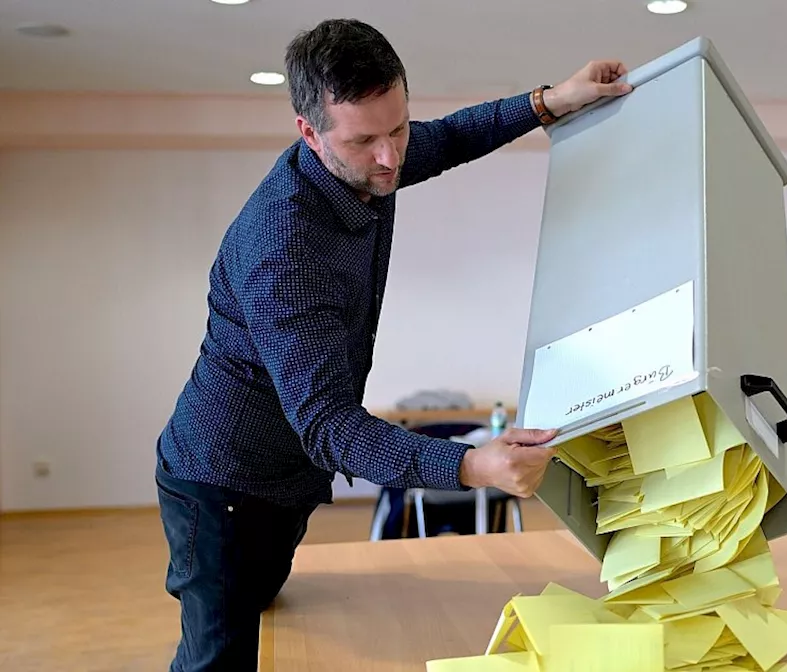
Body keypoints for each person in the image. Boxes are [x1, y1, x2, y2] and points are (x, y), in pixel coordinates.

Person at [153, 18, 631, 670]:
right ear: (308, 133)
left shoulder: (368, 163)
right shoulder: (284, 248)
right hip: (219, 482)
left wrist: (553, 99)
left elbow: (454, 135)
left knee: (266, 613)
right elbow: (328, 426)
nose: (390, 157)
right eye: (364, 140)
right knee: (220, 654)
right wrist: (470, 467)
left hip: (288, 478)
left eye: (399, 128)